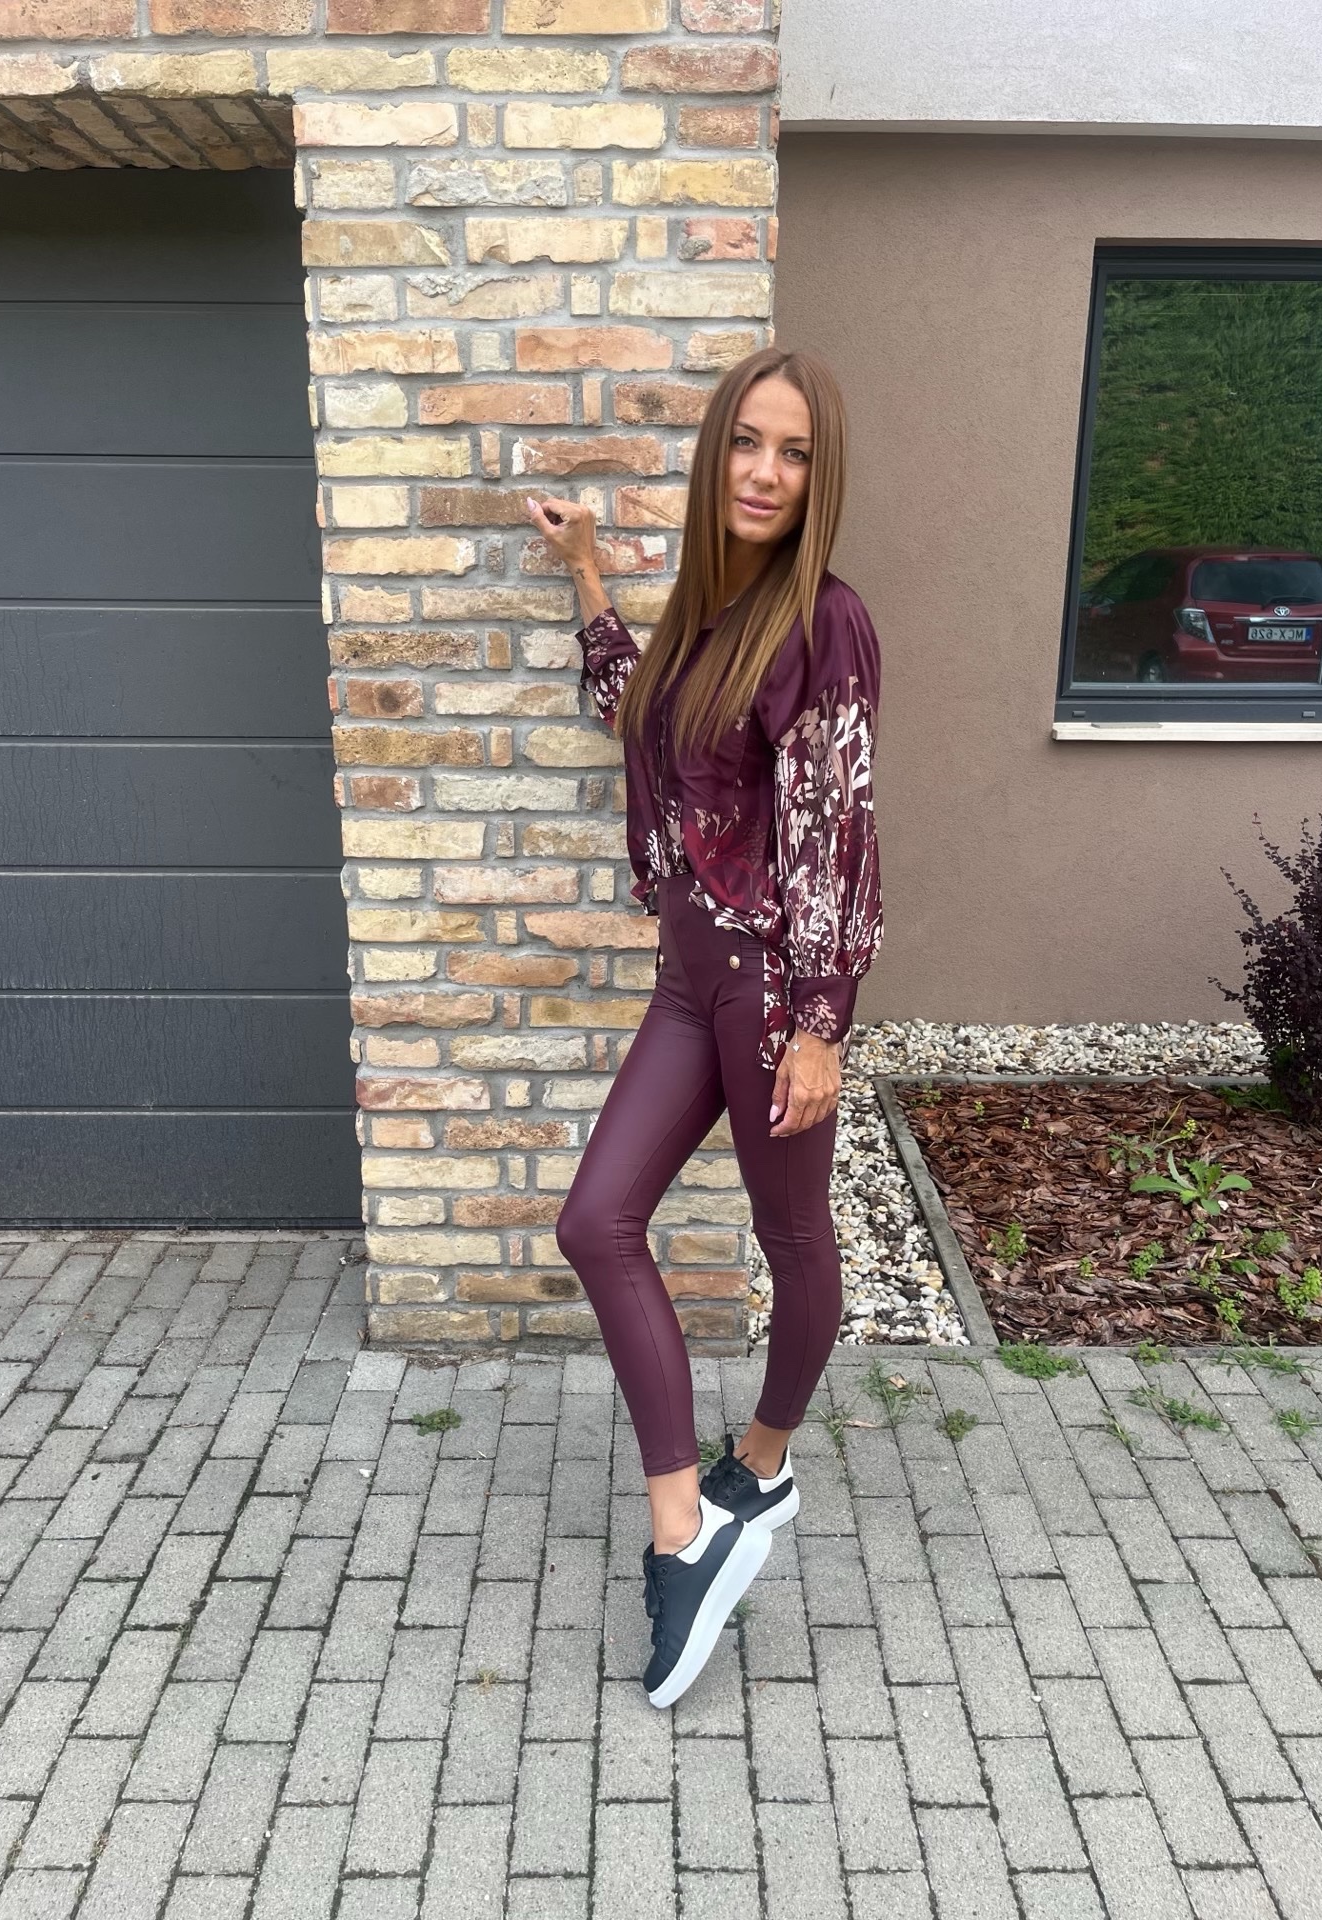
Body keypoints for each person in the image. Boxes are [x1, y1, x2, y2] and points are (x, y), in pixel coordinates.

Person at [525, 345, 883, 1710]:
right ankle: (687, 1532)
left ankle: (766, 1461)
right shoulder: (699, 614)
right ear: (715, 451)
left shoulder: (825, 623)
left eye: (795, 453)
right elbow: (632, 714)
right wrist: (588, 576)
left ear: (817, 480)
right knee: (596, 1221)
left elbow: (839, 837)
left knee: (795, 1238)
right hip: (688, 981)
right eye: (748, 441)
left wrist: (822, 1024)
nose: (766, 472)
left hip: (772, 995)